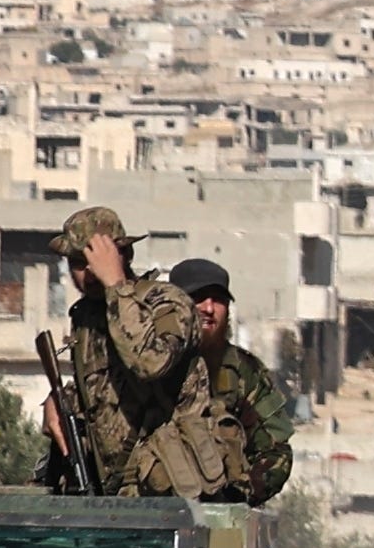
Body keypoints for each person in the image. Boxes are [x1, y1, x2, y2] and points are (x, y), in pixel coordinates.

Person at [49, 205, 211, 496]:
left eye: (95, 259)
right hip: (112, 487)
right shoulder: (87, 318)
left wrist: (115, 284)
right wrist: (59, 402)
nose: (88, 271)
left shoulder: (166, 302)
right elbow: (104, 389)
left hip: (168, 487)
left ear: (124, 256)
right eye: (77, 261)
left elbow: (150, 362)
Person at [163, 259, 296, 503]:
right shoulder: (150, 363)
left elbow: (275, 451)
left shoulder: (244, 371)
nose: (209, 308)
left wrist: (240, 495)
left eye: (218, 300)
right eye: (198, 297)